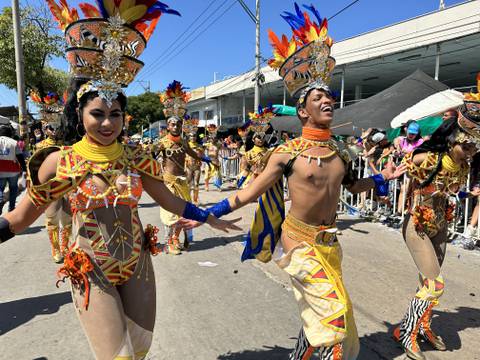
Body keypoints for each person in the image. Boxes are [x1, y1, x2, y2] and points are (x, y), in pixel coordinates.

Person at [0, 2, 239, 358]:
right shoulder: (59, 162)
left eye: (115, 114)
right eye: (98, 113)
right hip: (90, 267)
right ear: (79, 114)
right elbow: (20, 218)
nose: (108, 122)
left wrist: (208, 215)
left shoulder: (137, 157)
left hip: (137, 266)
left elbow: (169, 201)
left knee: (139, 351)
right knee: (119, 357)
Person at [180, 5, 405, 359]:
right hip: (298, 243)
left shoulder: (341, 150)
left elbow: (354, 188)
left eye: (328, 96)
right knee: (333, 321)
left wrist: (381, 180)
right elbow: (248, 193)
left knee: (328, 313)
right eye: (318, 98)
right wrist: (206, 212)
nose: (327, 100)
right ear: (303, 110)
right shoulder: (286, 153)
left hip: (330, 245)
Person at [393, 76, 480, 360]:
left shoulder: (462, 166)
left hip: (440, 225)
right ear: (453, 138)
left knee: (428, 283)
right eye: (466, 146)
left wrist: (463, 194)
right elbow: (402, 169)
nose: (470, 153)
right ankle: (406, 331)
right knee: (434, 285)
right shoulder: (426, 158)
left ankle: (423, 326)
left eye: (475, 148)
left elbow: (450, 190)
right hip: (417, 225)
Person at [157, 81, 212, 254]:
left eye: (178, 124)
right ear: (168, 125)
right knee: (171, 214)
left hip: (182, 183)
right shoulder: (162, 143)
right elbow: (149, 157)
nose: (176, 127)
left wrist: (206, 159)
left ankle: (176, 238)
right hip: (168, 182)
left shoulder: (184, 142)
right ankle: (171, 240)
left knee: (184, 212)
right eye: (173, 124)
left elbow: (194, 154)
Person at [237, 106, 273, 189]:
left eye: (263, 138)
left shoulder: (269, 151)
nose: (261, 140)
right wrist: (241, 180)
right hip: (253, 179)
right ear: (253, 139)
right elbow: (247, 169)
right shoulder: (249, 153)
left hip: (266, 179)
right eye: (259, 138)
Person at [0, 125, 26, 214]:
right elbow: (20, 157)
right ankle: (11, 208)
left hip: (0, 170)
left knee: (0, 188)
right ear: (10, 133)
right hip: (13, 171)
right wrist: (24, 168)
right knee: (13, 188)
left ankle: (0, 201)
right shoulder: (14, 142)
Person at [204, 124, 222, 191]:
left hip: (216, 161)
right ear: (210, 139)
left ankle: (218, 187)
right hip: (209, 161)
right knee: (207, 175)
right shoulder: (207, 144)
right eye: (212, 138)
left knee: (217, 174)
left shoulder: (218, 145)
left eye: (214, 138)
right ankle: (206, 186)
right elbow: (201, 147)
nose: (213, 139)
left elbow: (225, 147)